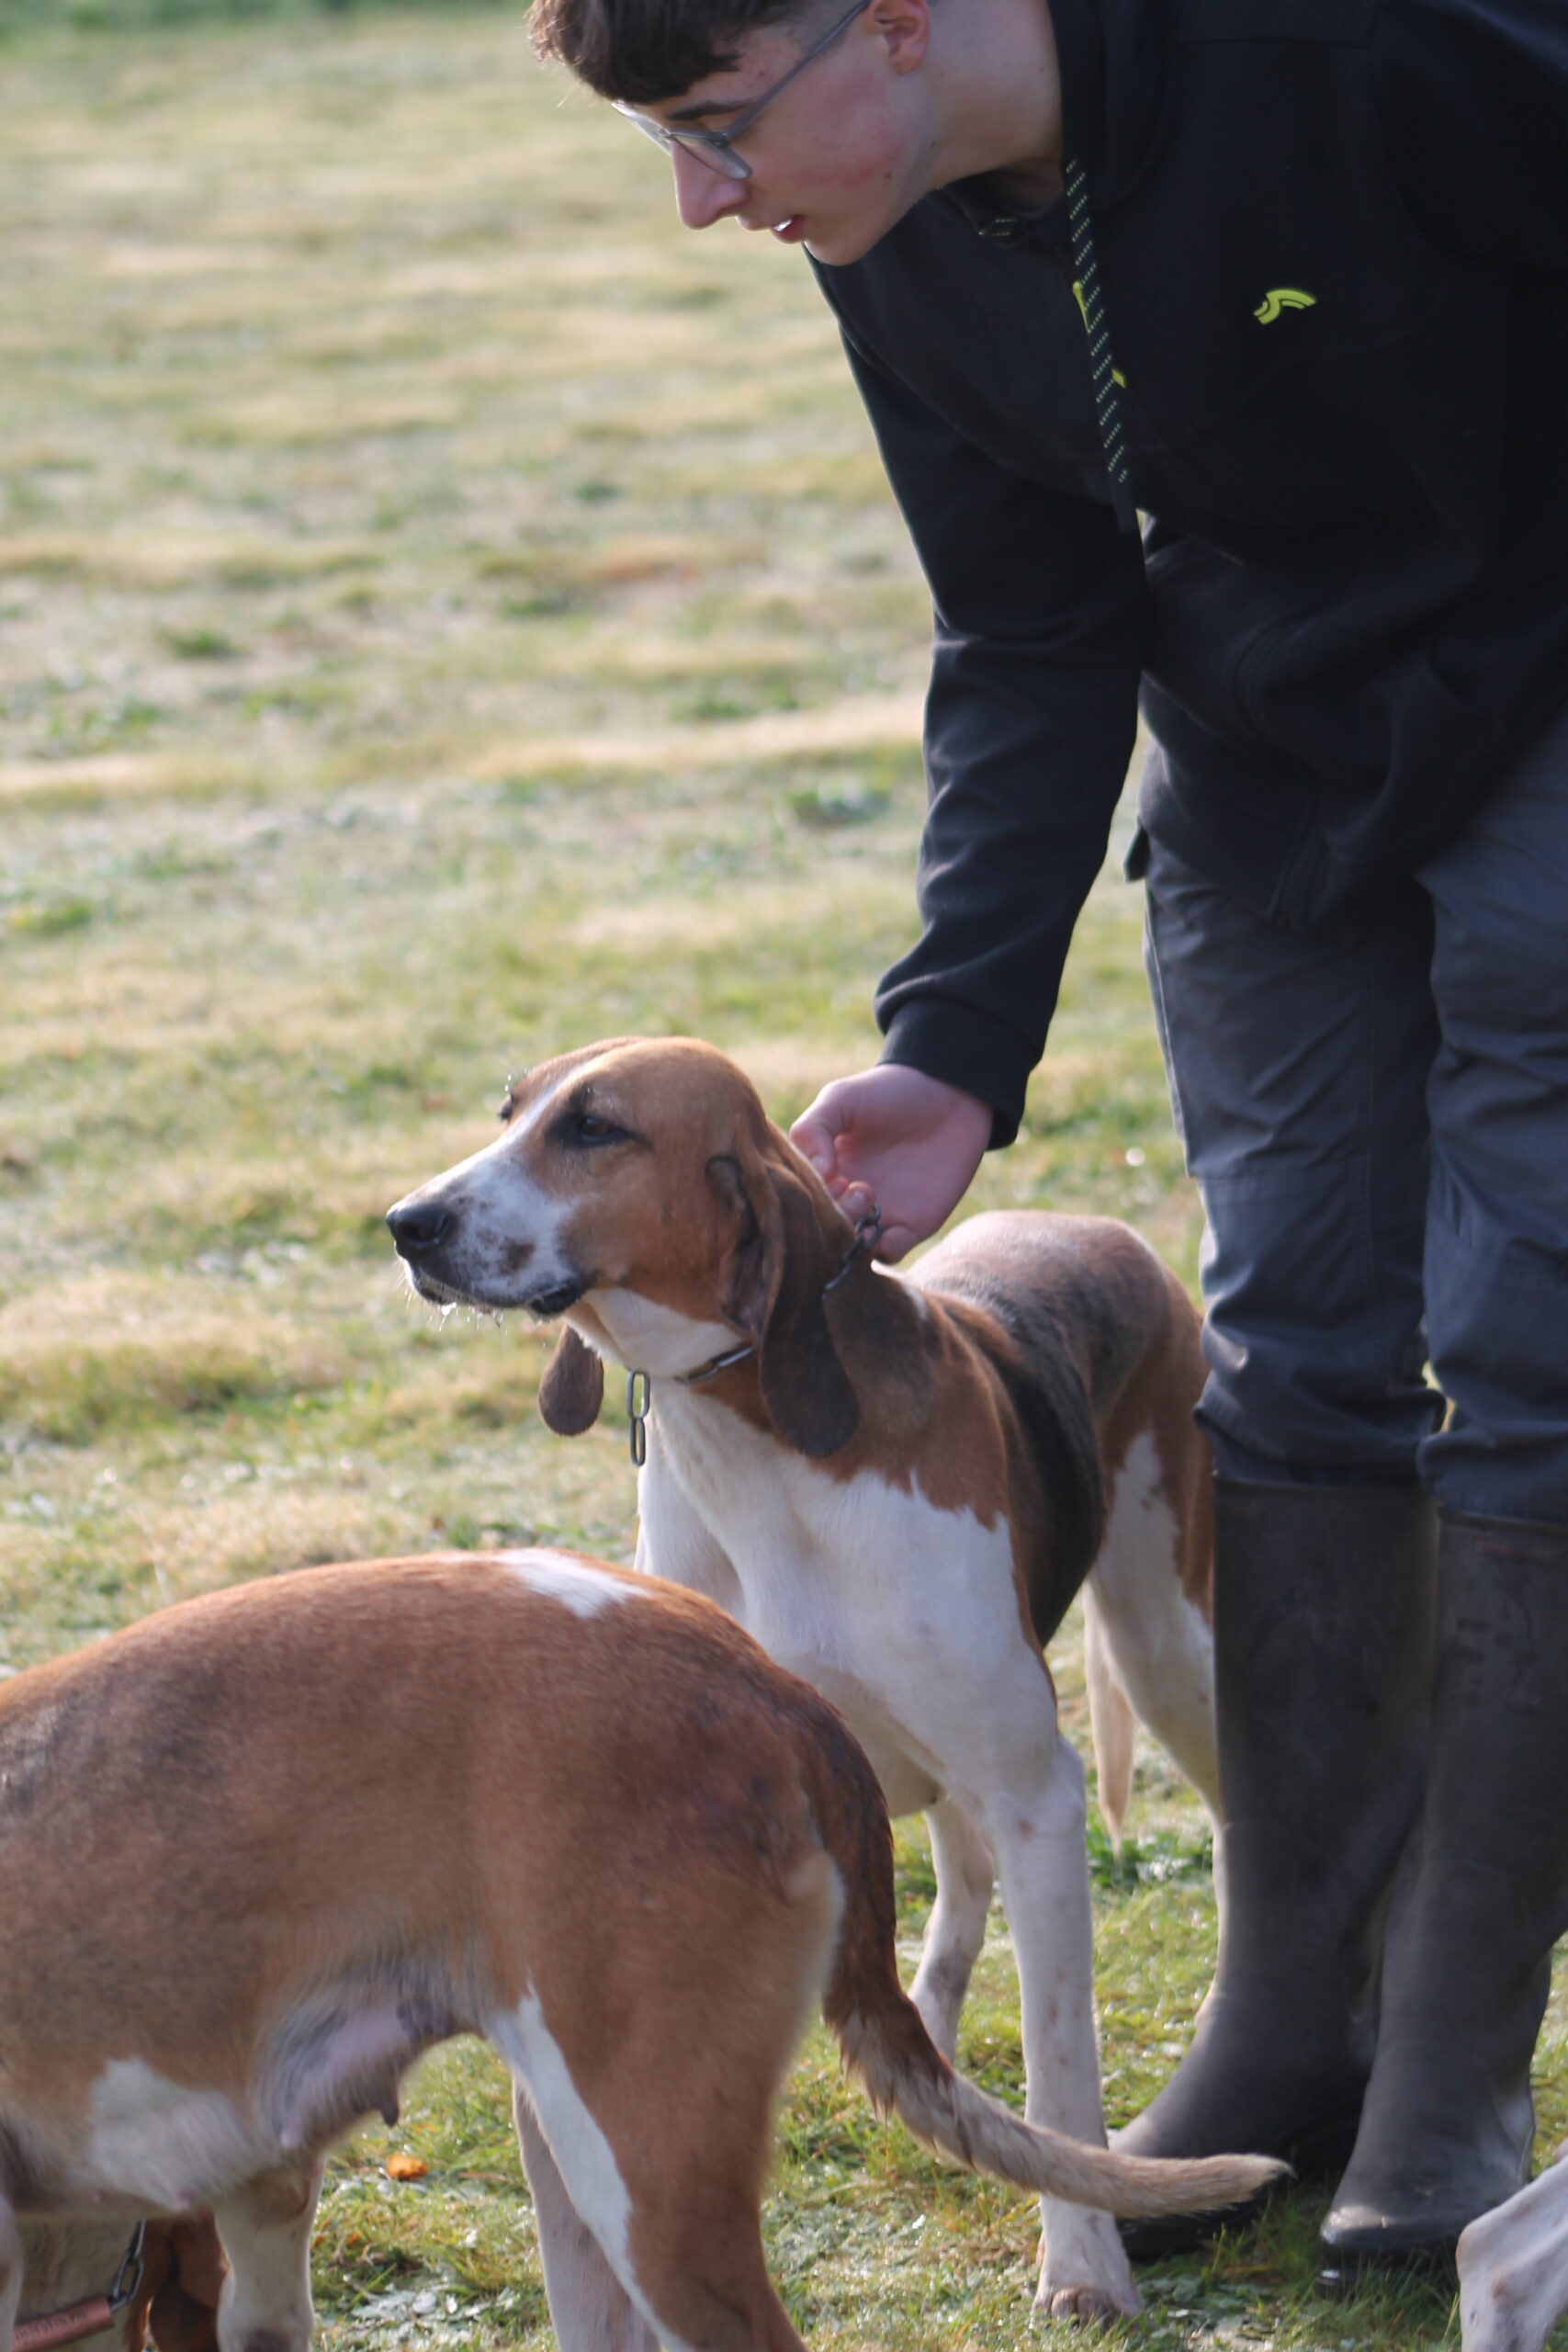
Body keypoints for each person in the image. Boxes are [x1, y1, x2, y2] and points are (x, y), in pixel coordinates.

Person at [530, 0, 1568, 2276]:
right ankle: (1293, 2013)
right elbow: (1024, 614)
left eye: (715, 129)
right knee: (1293, 1351)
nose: (700, 201)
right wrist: (953, 1044)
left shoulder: (1355, 52)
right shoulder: (888, 212)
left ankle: (1452, 2056)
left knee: (1528, 1354)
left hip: (1547, 704)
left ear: (894, 20)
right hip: (1268, 772)